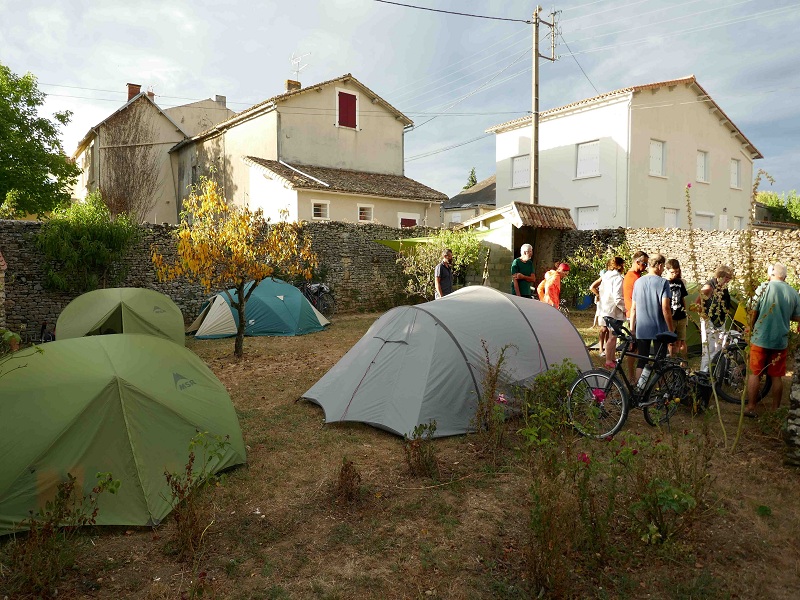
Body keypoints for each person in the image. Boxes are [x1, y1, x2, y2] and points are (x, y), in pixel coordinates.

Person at [744, 263, 800, 417]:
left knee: (755, 373)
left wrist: (749, 327)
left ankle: (751, 407)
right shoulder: (793, 293)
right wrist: (784, 312)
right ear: (785, 276)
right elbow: (797, 316)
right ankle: (775, 410)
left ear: (771, 274)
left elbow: (753, 310)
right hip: (780, 341)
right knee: (777, 376)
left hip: (760, 338)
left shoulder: (764, 287)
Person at [629, 254, 674, 383]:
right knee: (660, 361)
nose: (663, 270)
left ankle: (640, 389)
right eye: (663, 267)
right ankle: (660, 390)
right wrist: (671, 330)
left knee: (642, 359)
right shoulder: (663, 282)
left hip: (642, 327)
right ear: (659, 266)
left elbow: (633, 308)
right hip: (659, 328)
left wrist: (632, 329)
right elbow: (665, 308)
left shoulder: (638, 282)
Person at [696, 265, 734, 371]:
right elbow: (697, 303)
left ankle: (716, 372)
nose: (728, 280)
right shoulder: (709, 287)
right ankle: (704, 373)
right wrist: (704, 318)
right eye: (727, 278)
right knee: (709, 350)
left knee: (719, 349)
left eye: (729, 278)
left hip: (720, 321)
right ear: (720, 276)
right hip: (709, 322)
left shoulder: (724, 287)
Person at [590, 257, 625, 369]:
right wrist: (625, 308)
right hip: (613, 310)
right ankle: (609, 360)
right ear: (619, 266)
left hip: (605, 309)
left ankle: (612, 358)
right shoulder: (618, 278)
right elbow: (617, 297)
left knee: (612, 335)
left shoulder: (605, 276)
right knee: (613, 336)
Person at [622, 251, 648, 379]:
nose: (645, 267)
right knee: (634, 348)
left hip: (632, 314)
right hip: (636, 316)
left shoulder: (631, 275)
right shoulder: (635, 278)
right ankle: (633, 377)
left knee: (634, 348)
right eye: (644, 264)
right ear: (637, 262)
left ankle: (633, 375)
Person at [665, 258, 688, 361]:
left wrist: (685, 313)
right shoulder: (664, 282)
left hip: (681, 316)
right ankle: (672, 361)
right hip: (671, 317)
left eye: (677, 272)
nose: (674, 274)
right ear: (667, 270)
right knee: (671, 342)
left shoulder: (680, 282)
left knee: (681, 341)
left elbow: (683, 299)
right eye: (672, 272)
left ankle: (683, 362)